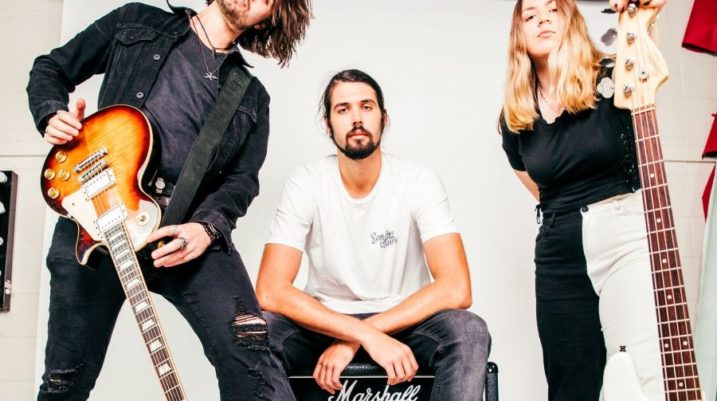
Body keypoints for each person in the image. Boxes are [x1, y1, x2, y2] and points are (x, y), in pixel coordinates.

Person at [26, 0, 311, 400]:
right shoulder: (135, 21)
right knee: (65, 381)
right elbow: (50, 68)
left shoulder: (251, 96)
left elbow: (242, 180)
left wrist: (206, 228)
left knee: (250, 356)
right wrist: (51, 113)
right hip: (99, 219)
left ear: (269, 19)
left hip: (184, 231)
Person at [256, 69, 491, 401]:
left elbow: (456, 287)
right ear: (328, 124)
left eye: (366, 107)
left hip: (406, 323)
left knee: (469, 331)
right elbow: (270, 290)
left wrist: (359, 337)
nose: (356, 118)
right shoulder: (306, 182)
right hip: (325, 325)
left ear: (384, 118)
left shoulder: (418, 180)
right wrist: (358, 334)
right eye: (343, 109)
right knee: (257, 333)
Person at [498, 0, 668, 400]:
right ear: (519, 33)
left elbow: (646, 60)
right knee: (570, 380)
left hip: (625, 237)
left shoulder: (612, 75)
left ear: (570, 19)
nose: (542, 19)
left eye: (552, 10)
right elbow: (534, 180)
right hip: (559, 251)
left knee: (638, 372)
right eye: (530, 15)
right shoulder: (515, 114)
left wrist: (646, 13)